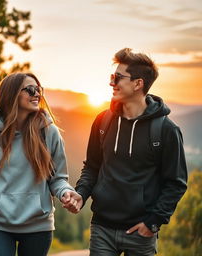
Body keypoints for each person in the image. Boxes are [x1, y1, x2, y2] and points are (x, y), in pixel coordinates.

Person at [63, 48, 188, 255]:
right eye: (112, 77)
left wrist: (153, 222)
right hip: (102, 227)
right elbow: (93, 166)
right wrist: (81, 194)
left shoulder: (166, 130)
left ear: (138, 84)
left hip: (141, 233)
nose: (112, 83)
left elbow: (176, 182)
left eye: (118, 78)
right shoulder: (103, 120)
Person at [0, 72, 81, 256]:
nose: (36, 94)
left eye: (38, 89)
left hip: (38, 227)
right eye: (30, 89)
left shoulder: (49, 133)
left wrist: (66, 192)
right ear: (12, 95)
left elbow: (58, 179)